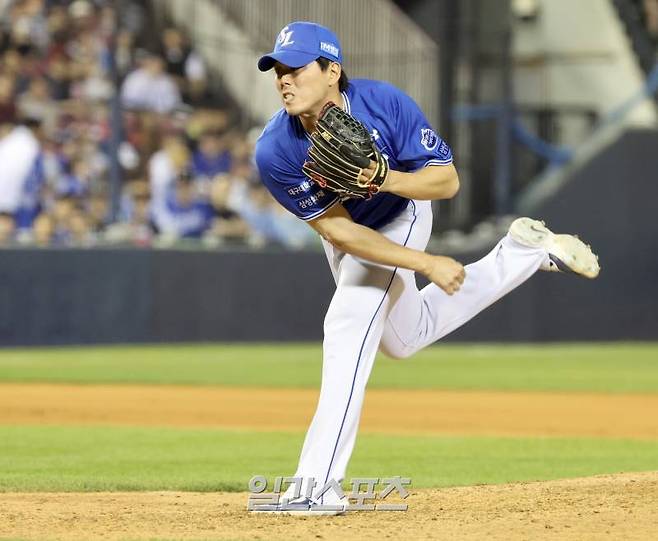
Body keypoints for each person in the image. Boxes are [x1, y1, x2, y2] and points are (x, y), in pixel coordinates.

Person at [253, 21, 599, 516]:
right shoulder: (275, 149)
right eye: (277, 69)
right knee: (403, 337)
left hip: (402, 212)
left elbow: (446, 181)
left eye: (297, 67)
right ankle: (520, 255)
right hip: (353, 233)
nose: (284, 79)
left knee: (349, 322)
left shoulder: (383, 104)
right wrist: (426, 264)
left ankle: (317, 486)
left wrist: (386, 179)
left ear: (332, 70)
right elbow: (341, 233)